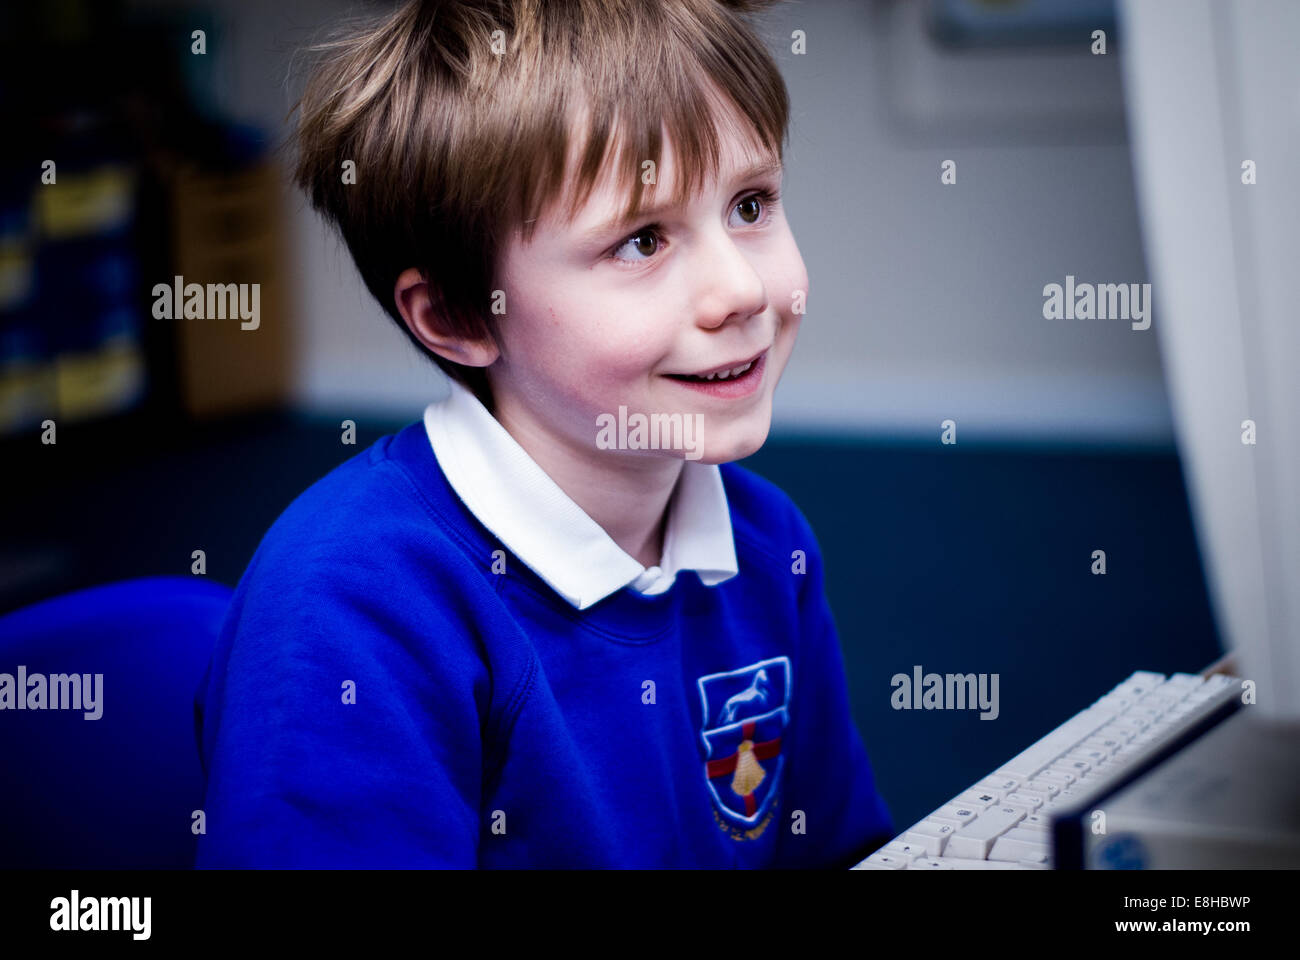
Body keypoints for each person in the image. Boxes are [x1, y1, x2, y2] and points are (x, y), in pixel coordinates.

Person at [194, 0, 893, 868]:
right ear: (456, 314)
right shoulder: (351, 599)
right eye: (642, 241)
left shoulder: (766, 541)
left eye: (750, 204)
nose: (742, 290)